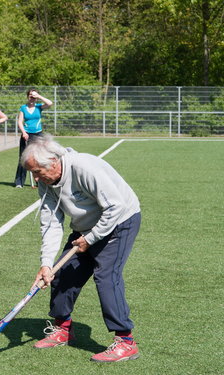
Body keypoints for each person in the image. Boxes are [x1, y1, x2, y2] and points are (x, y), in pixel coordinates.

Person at [21, 134, 141, 362]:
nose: (35, 178)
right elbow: (51, 223)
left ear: (54, 162)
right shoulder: (46, 183)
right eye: (32, 173)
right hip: (85, 226)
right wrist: (46, 264)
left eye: (37, 172)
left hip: (120, 221)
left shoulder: (84, 167)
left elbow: (116, 206)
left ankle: (126, 341)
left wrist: (92, 238)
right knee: (61, 273)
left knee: (106, 276)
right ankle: (63, 329)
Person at [14, 89, 52, 188]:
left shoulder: (39, 107)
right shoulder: (23, 108)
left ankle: (40, 181)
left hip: (38, 134)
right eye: (30, 95)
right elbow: (19, 122)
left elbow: (50, 103)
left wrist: (38, 96)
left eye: (33, 96)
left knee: (39, 157)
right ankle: (19, 182)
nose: (32, 97)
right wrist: (23, 132)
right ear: (27, 96)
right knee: (23, 158)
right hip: (26, 135)